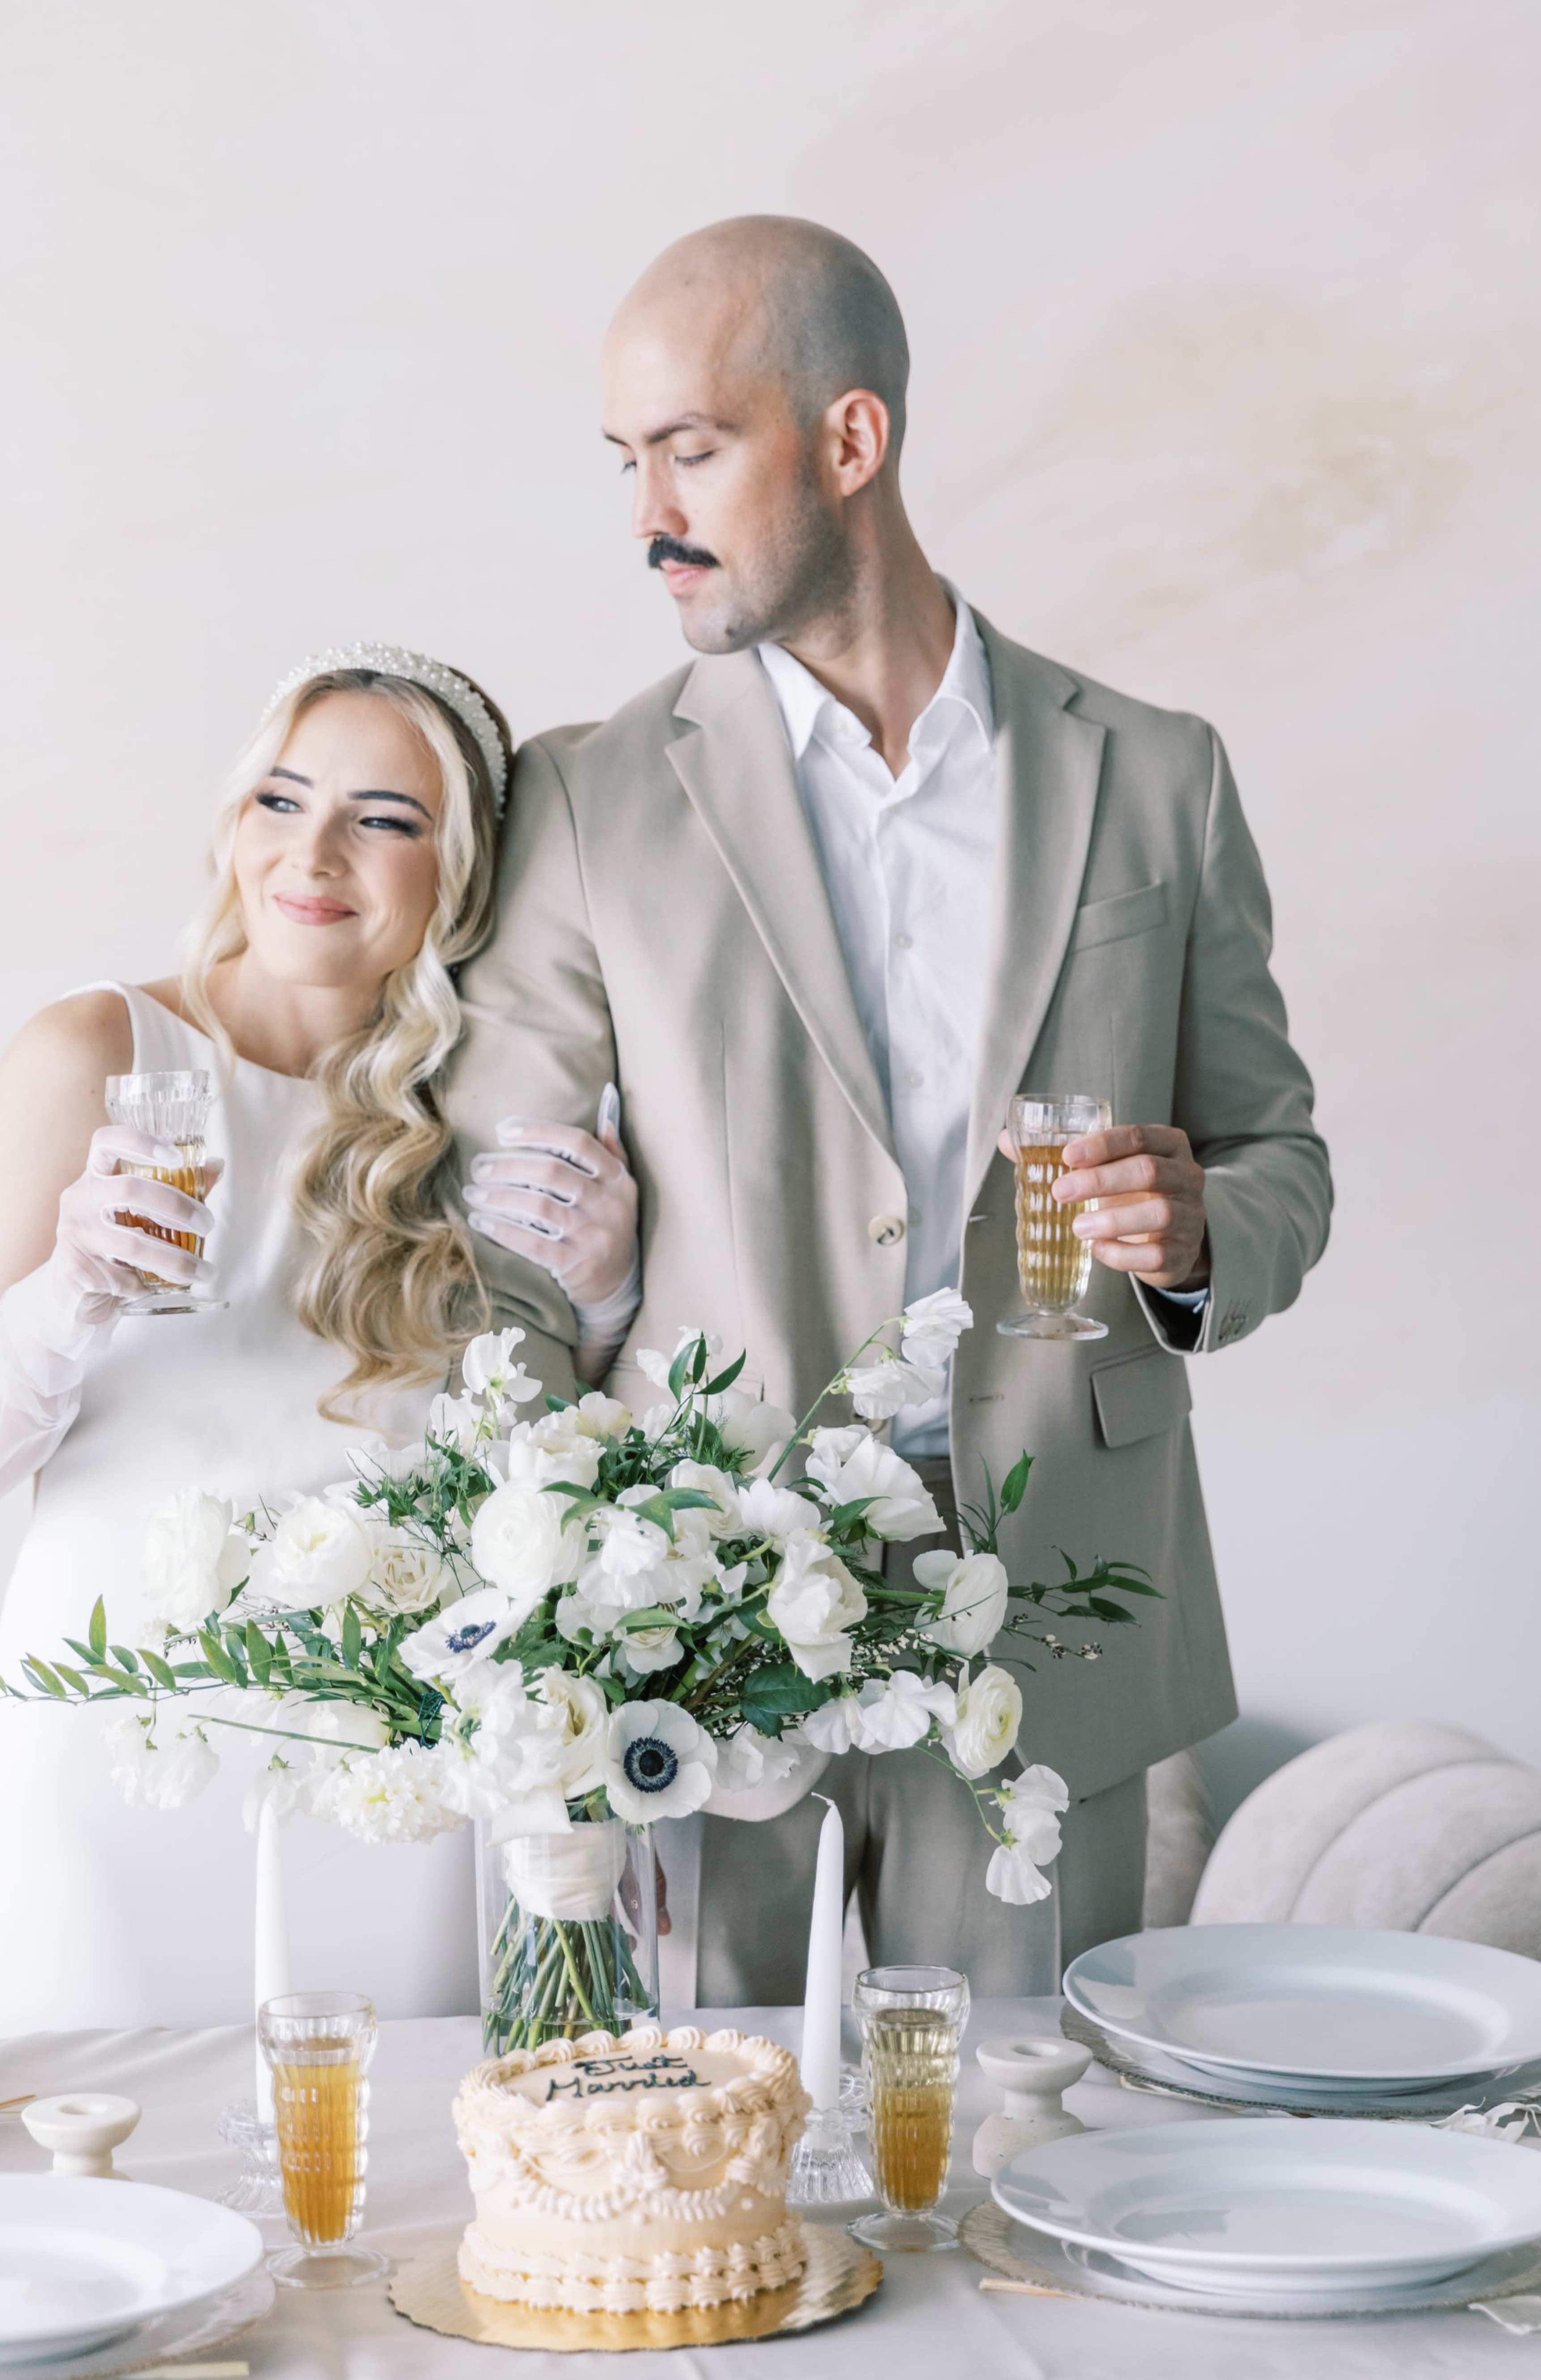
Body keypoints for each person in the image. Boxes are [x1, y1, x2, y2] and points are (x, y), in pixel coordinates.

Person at [446, 218, 1332, 2000]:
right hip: (690, 1613)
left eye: (692, 448)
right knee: (699, 2189)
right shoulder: (587, 800)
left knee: (1014, 2165)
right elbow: (499, 1264)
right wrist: (550, 1601)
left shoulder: (1155, 775)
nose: (649, 515)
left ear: (850, 444)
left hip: (1054, 1597)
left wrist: (1197, 1235)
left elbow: (1279, 1154)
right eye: (630, 461)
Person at [0, 646, 639, 2036]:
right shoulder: (93, 1057)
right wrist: (68, 1287)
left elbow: (536, 1490)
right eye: (283, 800)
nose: (315, 853)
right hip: (110, 1786)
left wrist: (601, 1299)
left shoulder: (471, 1125)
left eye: (386, 818)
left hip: (394, 1814)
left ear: (458, 876)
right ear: (235, 820)